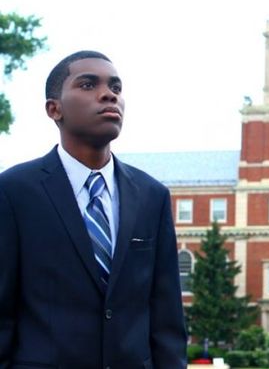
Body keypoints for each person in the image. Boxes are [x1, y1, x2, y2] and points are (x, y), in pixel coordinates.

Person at [0, 51, 187, 368]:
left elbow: (166, 318)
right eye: (88, 85)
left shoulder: (152, 196)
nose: (108, 94)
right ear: (54, 109)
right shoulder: (13, 192)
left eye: (116, 87)